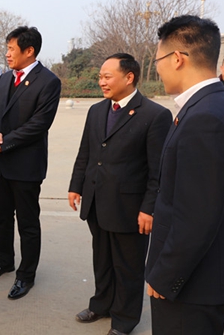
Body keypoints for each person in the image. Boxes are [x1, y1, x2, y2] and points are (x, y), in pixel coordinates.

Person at [145, 15, 224, 335]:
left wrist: (166, 275)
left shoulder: (206, 117)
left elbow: (197, 215)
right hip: (200, 276)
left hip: (191, 285)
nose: (158, 69)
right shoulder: (217, 104)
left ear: (177, 58)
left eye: (158, 60)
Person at [68, 53, 172, 335]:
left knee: (128, 267)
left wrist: (149, 208)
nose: (101, 82)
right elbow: (86, 153)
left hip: (130, 208)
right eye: (100, 77)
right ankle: (101, 304)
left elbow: (158, 170)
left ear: (129, 77)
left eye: (107, 76)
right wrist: (76, 185)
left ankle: (124, 320)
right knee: (102, 260)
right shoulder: (97, 111)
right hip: (96, 201)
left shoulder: (154, 115)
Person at [0, 26, 61, 300]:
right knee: (2, 218)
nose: (7, 54)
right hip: (1, 164)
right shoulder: (4, 79)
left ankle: (26, 275)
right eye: (6, 49)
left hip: (26, 166)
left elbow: (39, 125)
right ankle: (4, 261)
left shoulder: (48, 82)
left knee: (27, 224)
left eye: (11, 49)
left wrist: (2, 142)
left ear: (29, 51)